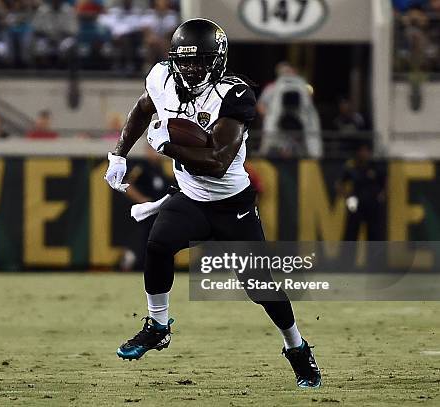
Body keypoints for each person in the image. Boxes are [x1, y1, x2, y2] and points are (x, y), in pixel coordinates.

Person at [104, 19, 321, 388]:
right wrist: (119, 154)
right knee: (157, 245)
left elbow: (218, 163)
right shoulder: (161, 77)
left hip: (231, 204)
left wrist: (166, 145)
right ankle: (158, 326)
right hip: (190, 198)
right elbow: (144, 108)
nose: (190, 69)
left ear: (217, 60)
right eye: (184, 61)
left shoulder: (234, 94)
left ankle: (297, 348)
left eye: (199, 61)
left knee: (260, 288)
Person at [120, 144, 171, 271]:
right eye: (153, 150)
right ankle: (133, 261)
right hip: (144, 212)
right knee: (142, 239)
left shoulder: (159, 168)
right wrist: (141, 200)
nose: (157, 153)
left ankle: (151, 265)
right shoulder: (141, 166)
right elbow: (127, 184)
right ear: (147, 151)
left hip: (156, 212)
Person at [337, 142, 386, 241]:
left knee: (374, 235)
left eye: (366, 151)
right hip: (355, 203)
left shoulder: (375, 168)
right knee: (351, 234)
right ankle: (347, 256)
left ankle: (375, 256)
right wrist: (348, 197)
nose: (364, 153)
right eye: (362, 151)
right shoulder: (352, 168)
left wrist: (382, 195)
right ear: (358, 153)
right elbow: (339, 184)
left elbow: (385, 182)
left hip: (372, 203)